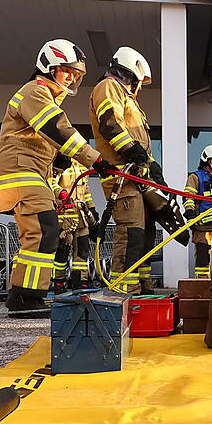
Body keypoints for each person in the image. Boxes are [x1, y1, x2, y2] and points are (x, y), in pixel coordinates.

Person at [0, 40, 118, 318]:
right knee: (44, 230)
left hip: (30, 171)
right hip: (22, 171)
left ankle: (22, 294)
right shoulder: (36, 92)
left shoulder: (43, 96)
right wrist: (95, 159)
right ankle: (26, 297)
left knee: (40, 231)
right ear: (49, 68)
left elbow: (44, 137)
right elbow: (58, 130)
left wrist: (59, 159)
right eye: (66, 71)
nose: (72, 78)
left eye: (75, 74)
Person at [89, 47, 160, 294]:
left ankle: (142, 285)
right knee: (131, 233)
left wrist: (151, 165)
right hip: (122, 174)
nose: (139, 88)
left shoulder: (127, 98)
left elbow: (136, 138)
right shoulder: (109, 87)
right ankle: (123, 289)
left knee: (145, 231)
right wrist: (134, 153)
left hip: (136, 176)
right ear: (131, 72)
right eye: (139, 82)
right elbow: (110, 126)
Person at [50, 160, 98, 293]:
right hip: (65, 216)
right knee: (62, 250)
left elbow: (86, 190)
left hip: (81, 215)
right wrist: (61, 193)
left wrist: (91, 208)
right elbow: (51, 183)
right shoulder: (60, 161)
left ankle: (80, 281)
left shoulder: (82, 165)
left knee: (82, 250)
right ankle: (58, 282)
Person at [183, 145, 212, 278]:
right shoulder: (195, 177)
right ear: (206, 159)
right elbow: (188, 197)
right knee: (203, 261)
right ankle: (202, 289)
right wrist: (190, 214)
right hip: (203, 226)